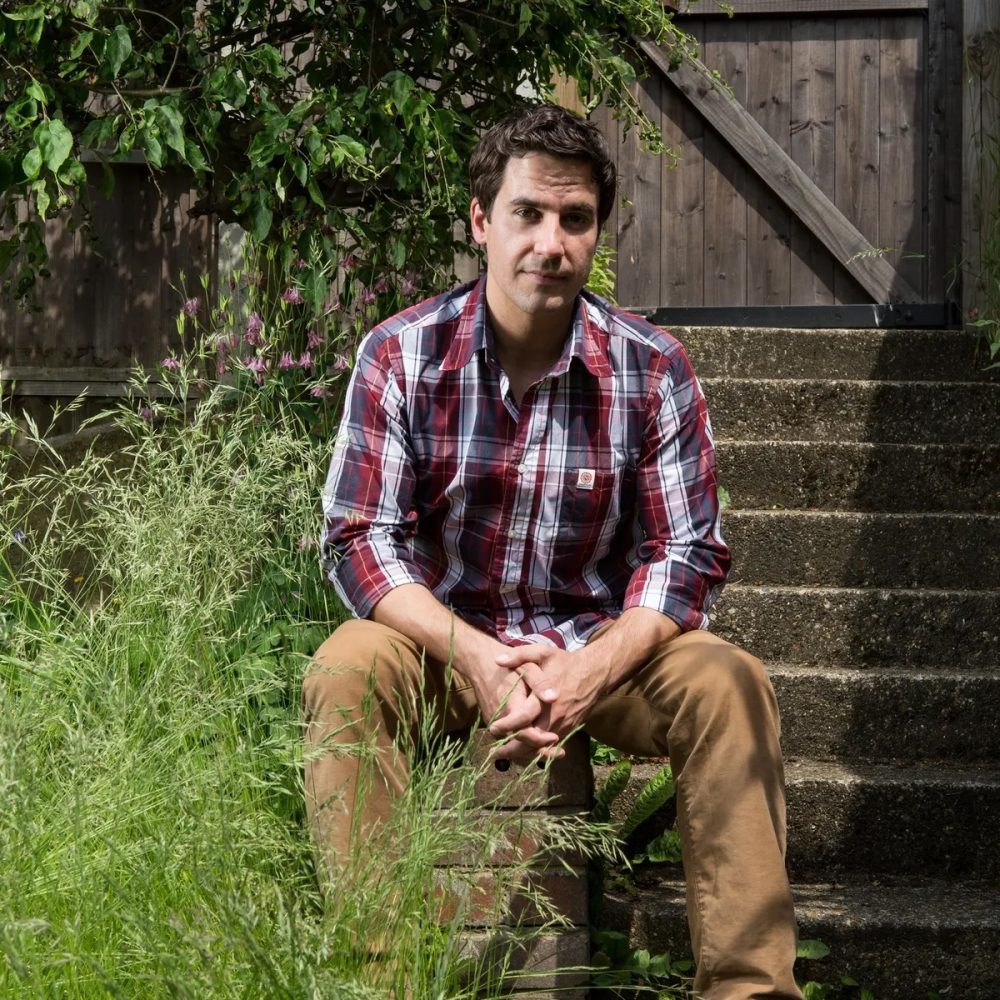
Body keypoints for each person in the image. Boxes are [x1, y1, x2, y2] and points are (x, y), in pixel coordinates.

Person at [303, 103, 802, 1000]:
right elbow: (360, 539)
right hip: (445, 648)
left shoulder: (652, 368)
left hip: (602, 656)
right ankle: (379, 983)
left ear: (596, 233)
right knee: (345, 671)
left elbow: (685, 551)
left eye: (576, 220)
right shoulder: (401, 354)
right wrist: (479, 657)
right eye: (528, 214)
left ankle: (748, 990)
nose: (552, 242)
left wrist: (586, 670)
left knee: (730, 684)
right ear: (480, 221)